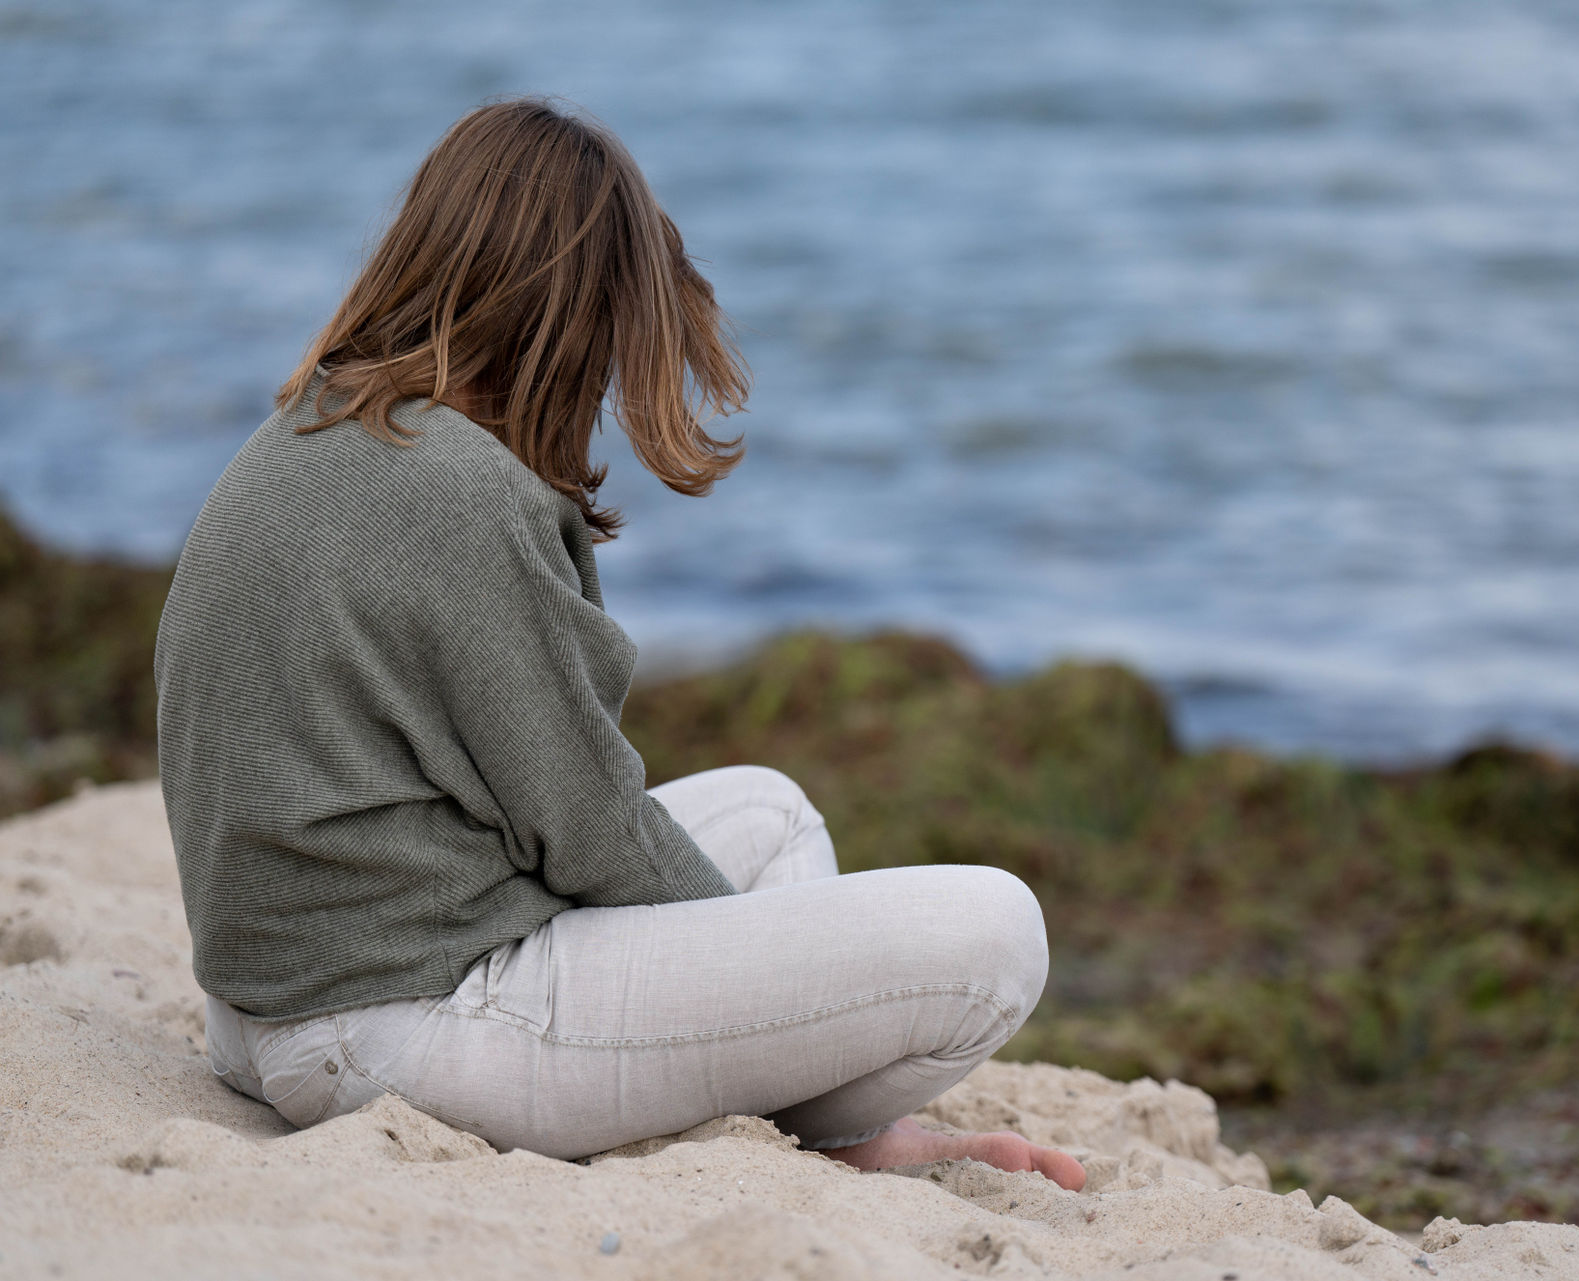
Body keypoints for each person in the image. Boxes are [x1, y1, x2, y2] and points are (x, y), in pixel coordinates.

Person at [153, 97, 1084, 1191]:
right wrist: (759, 980)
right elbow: (593, 832)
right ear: (572, 314)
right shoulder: (461, 490)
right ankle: (834, 1133)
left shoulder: (311, 423)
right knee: (997, 936)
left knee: (775, 814)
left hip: (260, 1005)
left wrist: (758, 977)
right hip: (394, 1024)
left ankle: (826, 1129)